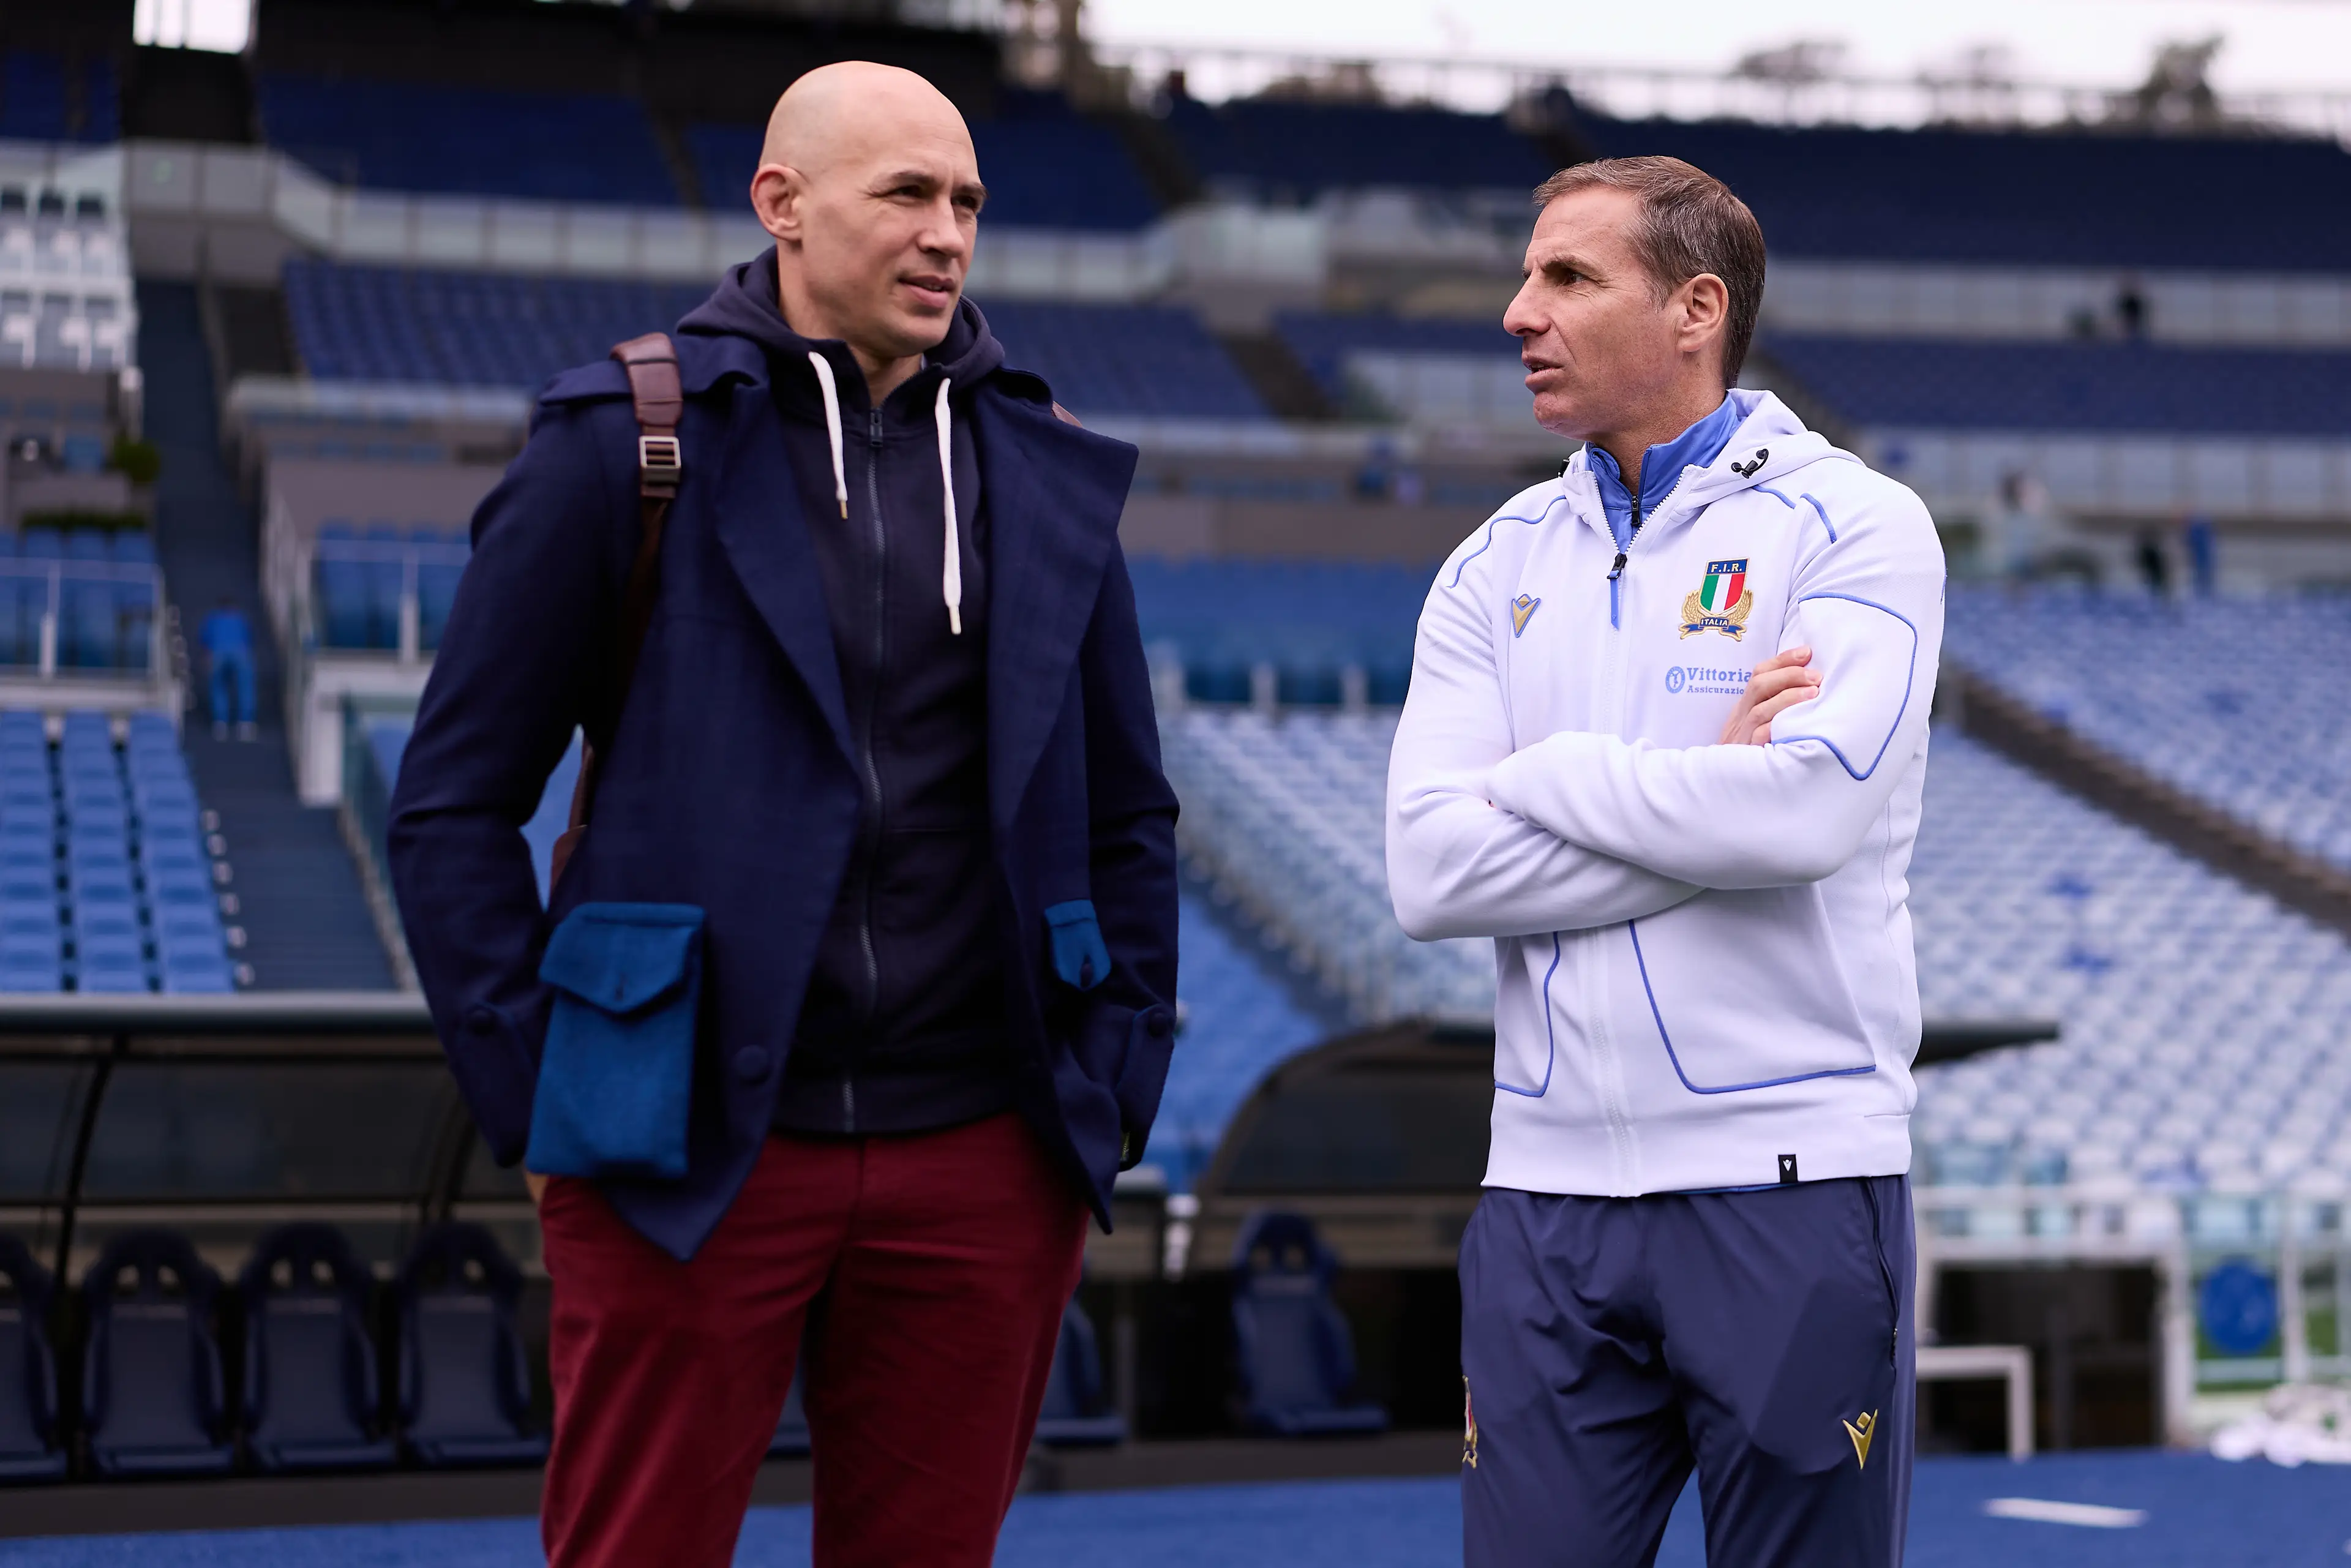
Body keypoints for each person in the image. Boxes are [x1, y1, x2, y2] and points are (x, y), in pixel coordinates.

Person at [386, 61, 1178, 1568]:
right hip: (678, 1144)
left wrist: (1113, 1070)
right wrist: (547, 1082)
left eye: (965, 202)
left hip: (985, 1150)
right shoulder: (620, 441)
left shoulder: (1041, 459)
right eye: (904, 195)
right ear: (782, 204)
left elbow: (1129, 808)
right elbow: (449, 803)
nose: (946, 233)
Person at [1386, 156, 1944, 1567]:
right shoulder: (1489, 560)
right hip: (1541, 1199)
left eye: (1567, 277)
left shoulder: (1856, 525)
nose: (1520, 311)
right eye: (1525, 275)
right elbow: (1434, 870)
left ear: (1695, 309)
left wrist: (1546, 778)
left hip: (1792, 1179)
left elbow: (1806, 818)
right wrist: (1719, 794)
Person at [198, 598, 255, 740]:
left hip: (218, 654)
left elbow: (204, 640)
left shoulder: (212, 618)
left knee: (218, 686)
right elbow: (249, 638)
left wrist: (207, 657)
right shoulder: (240, 618)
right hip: (240, 654)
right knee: (245, 687)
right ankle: (245, 723)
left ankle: (220, 723)